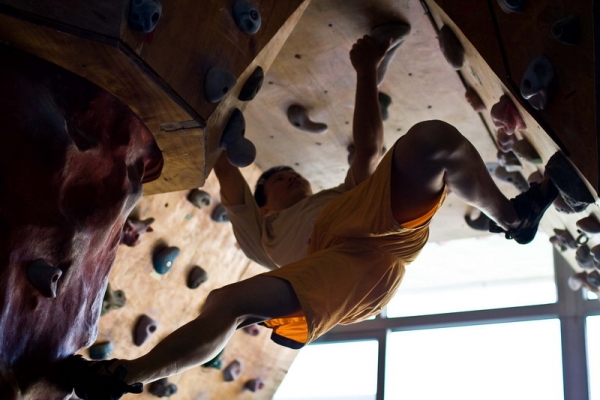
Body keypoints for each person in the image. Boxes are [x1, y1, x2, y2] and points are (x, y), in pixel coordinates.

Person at [65, 27, 559, 399]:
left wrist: (365, 70)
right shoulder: (262, 236)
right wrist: (210, 126)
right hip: (341, 267)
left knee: (433, 140)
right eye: (278, 178)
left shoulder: (339, 198)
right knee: (229, 303)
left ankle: (515, 219)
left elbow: (368, 147)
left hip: (372, 230)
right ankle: (129, 374)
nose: (291, 177)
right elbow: (230, 177)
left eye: (292, 174)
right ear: (265, 205)